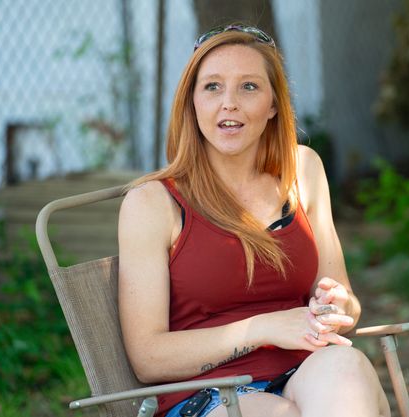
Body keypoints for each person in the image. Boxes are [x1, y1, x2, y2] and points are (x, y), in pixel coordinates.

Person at [118, 24, 390, 417]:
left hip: (304, 372)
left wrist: (338, 305)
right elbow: (148, 358)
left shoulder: (302, 171)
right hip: (207, 395)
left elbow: (345, 303)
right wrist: (264, 327)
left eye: (249, 86)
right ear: (191, 102)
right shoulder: (152, 203)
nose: (229, 103)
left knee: (347, 369)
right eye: (212, 87)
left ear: (274, 105)